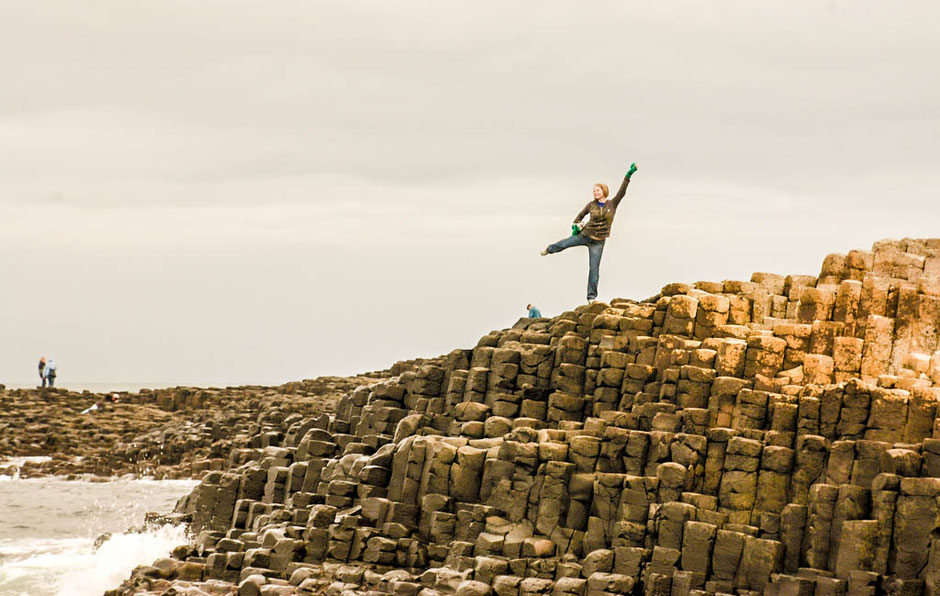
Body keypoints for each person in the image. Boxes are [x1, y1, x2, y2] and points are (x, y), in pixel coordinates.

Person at [541, 163, 638, 302]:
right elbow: (578, 218)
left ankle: (591, 297)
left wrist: (629, 175)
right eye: (594, 191)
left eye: (597, 190)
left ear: (604, 191)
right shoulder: (590, 205)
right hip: (584, 235)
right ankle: (549, 249)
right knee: (563, 244)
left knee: (594, 270)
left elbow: (622, 191)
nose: (595, 192)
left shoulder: (612, 204)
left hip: (598, 242)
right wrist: (576, 227)